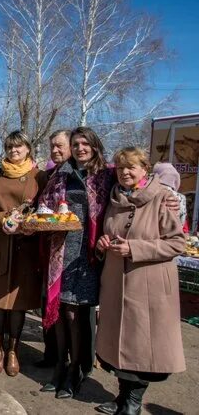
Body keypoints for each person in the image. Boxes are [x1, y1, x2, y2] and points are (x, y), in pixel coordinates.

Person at [95, 147, 185, 415]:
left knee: (142, 346)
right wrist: (102, 243)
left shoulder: (161, 198)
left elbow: (177, 243)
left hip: (148, 284)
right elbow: (110, 234)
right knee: (120, 345)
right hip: (116, 282)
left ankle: (133, 402)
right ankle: (121, 397)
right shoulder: (115, 199)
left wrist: (135, 249)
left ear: (144, 169)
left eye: (131, 167)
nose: (125, 172)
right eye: (121, 167)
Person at [39, 127, 115, 398]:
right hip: (60, 249)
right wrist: (40, 215)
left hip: (88, 254)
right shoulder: (61, 173)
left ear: (94, 145)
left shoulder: (107, 174)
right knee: (59, 312)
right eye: (76, 143)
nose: (80, 148)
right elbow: (45, 205)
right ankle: (60, 365)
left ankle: (74, 370)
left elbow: (123, 203)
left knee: (75, 313)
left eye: (85, 143)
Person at [0, 131, 46, 377]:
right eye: (9, 147)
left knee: (18, 301)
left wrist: (28, 224)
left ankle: (13, 350)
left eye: (19, 147)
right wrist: (2, 219)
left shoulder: (39, 176)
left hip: (25, 246)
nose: (14, 151)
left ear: (28, 148)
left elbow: (44, 207)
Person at [36, 129, 72, 369]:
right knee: (46, 301)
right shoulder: (50, 175)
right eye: (52, 147)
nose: (55, 151)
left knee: (65, 308)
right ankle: (51, 354)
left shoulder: (78, 174)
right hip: (47, 247)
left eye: (60, 146)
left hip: (69, 252)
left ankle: (65, 360)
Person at [153, 162, 189, 233]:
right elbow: (183, 223)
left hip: (154, 237)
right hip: (175, 238)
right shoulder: (181, 197)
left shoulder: (152, 193)